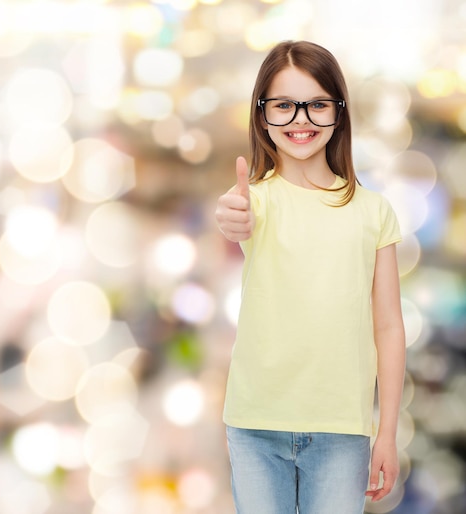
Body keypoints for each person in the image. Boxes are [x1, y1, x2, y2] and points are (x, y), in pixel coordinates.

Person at [215, 40, 406, 514]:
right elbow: (234, 219)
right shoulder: (253, 202)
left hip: (342, 431)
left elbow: (389, 326)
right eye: (283, 105)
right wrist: (232, 216)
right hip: (255, 423)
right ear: (262, 116)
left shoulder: (373, 211)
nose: (301, 119)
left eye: (317, 104)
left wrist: (388, 433)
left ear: (339, 113)